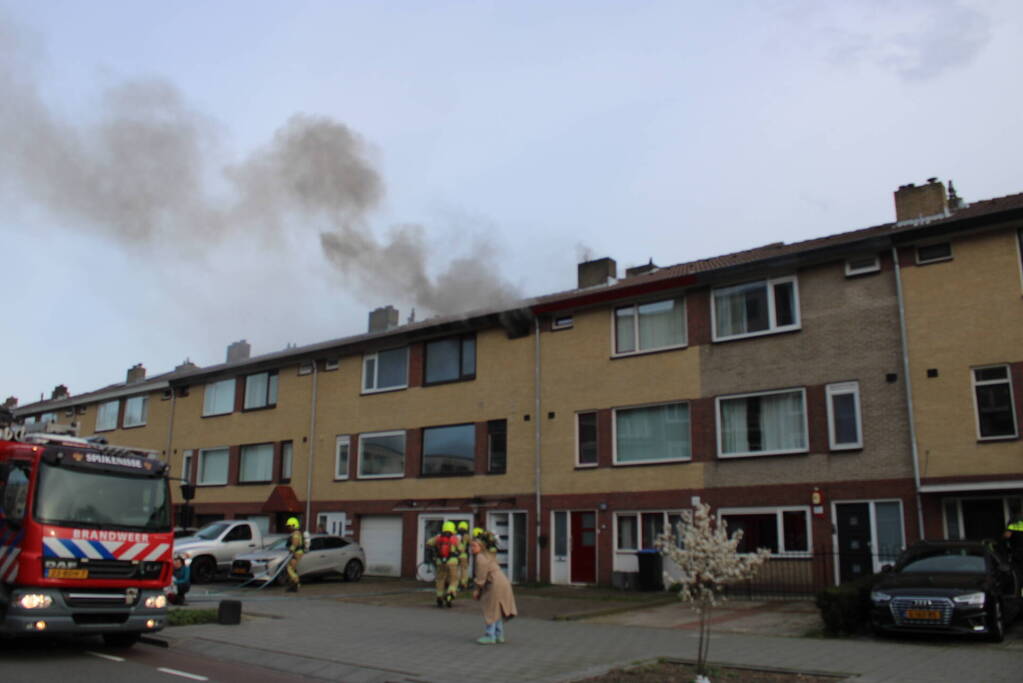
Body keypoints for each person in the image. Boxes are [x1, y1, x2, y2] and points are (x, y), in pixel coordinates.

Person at [471, 537, 517, 644]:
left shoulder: (480, 557)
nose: (471, 548)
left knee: (490, 608)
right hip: (503, 581)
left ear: (480, 546)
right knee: (497, 609)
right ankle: (498, 634)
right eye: (471, 546)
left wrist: (477, 590)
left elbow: (481, 576)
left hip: (494, 583)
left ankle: (490, 635)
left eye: (474, 546)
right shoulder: (488, 555)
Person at [426, 520, 462, 607]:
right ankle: (449, 594)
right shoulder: (454, 538)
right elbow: (461, 549)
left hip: (440, 562)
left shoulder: (438, 537)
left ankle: (439, 597)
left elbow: (428, 543)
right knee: (454, 580)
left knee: (440, 579)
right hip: (452, 562)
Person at [285, 516, 305, 592]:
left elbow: (295, 543)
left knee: (290, 568)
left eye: (289, 526)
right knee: (292, 569)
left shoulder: (296, 533)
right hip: (296, 552)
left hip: (297, 553)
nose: (288, 528)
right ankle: (294, 584)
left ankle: (296, 583)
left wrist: (291, 549)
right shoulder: (296, 533)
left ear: (293, 525)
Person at [457, 521, 472, 591]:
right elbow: (471, 543)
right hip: (464, 555)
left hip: (456, 555)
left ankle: (456, 583)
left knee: (457, 570)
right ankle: (463, 584)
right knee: (464, 570)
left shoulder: (456, 535)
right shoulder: (467, 536)